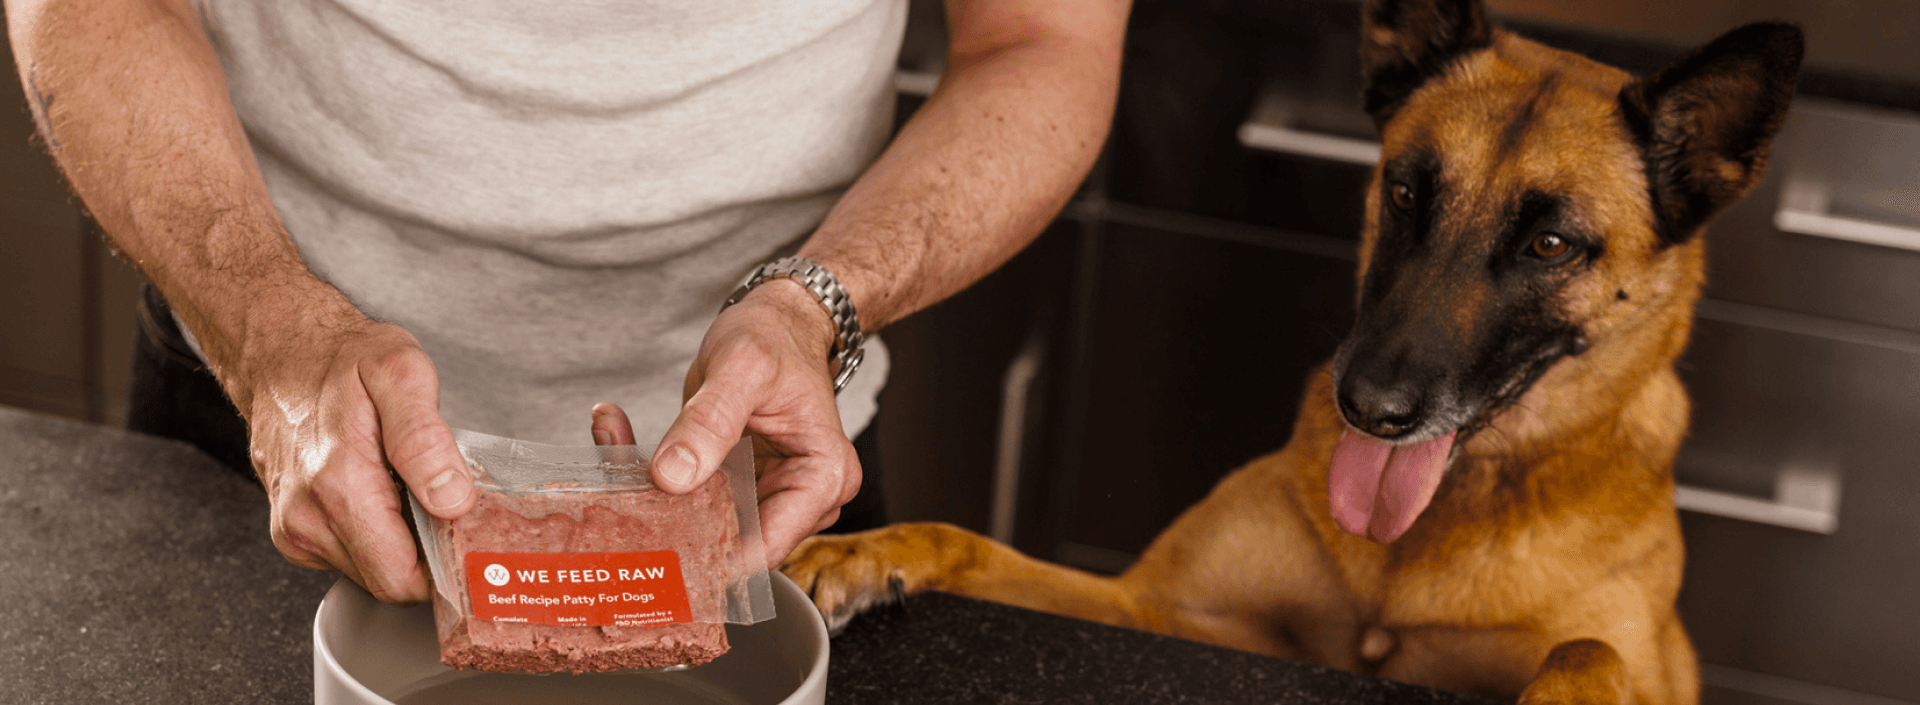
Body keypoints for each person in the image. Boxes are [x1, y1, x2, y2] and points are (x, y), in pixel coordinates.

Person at [8, 0, 1127, 605]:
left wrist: (814, 305)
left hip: (769, 458)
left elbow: (1041, 40)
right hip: (276, 417)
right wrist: (269, 333)